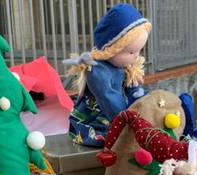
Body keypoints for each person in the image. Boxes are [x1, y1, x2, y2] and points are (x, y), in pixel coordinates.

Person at [64, 4, 151, 147]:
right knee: (116, 137)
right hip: (99, 116)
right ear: (110, 50)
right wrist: (127, 121)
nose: (136, 56)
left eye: (139, 50)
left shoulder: (125, 66)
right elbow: (109, 98)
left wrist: (139, 97)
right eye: (131, 52)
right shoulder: (97, 71)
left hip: (121, 109)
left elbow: (131, 86)